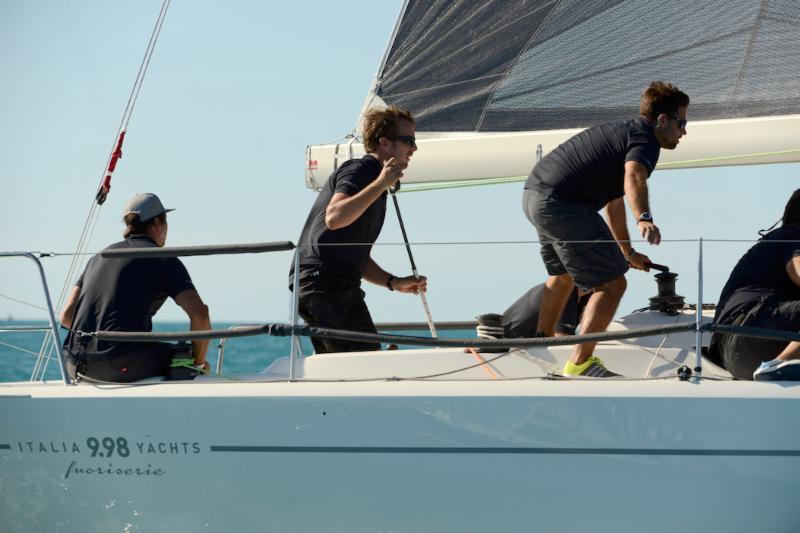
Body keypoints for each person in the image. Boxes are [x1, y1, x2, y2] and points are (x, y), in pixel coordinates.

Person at [524, 81, 689, 377]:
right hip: (563, 203)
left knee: (561, 276)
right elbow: (634, 177)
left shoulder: (623, 133)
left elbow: (614, 201)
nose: (684, 131)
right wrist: (644, 218)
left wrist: (627, 252)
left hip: (535, 196)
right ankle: (579, 364)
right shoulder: (645, 139)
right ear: (662, 119)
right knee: (612, 285)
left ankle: (540, 344)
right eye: (682, 122)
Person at [290, 106, 427, 354]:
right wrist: (380, 184)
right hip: (327, 286)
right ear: (384, 143)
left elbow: (355, 256)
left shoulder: (373, 181)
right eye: (408, 141)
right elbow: (334, 217)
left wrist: (392, 282)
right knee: (364, 363)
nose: (414, 148)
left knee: (348, 367)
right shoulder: (362, 171)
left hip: (327, 285)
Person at [60, 193, 211, 382]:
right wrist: (197, 364)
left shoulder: (98, 257)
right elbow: (200, 316)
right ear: (157, 223)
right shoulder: (164, 259)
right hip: (120, 364)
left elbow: (66, 316)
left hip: (76, 364)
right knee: (184, 359)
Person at [708, 190, 800, 381]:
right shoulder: (794, 235)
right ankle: (781, 365)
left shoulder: (778, 239)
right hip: (750, 331)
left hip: (735, 353)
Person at [501, 285, 586, 338]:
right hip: (511, 347)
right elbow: (561, 339)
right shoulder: (565, 291)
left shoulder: (584, 295)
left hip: (529, 348)